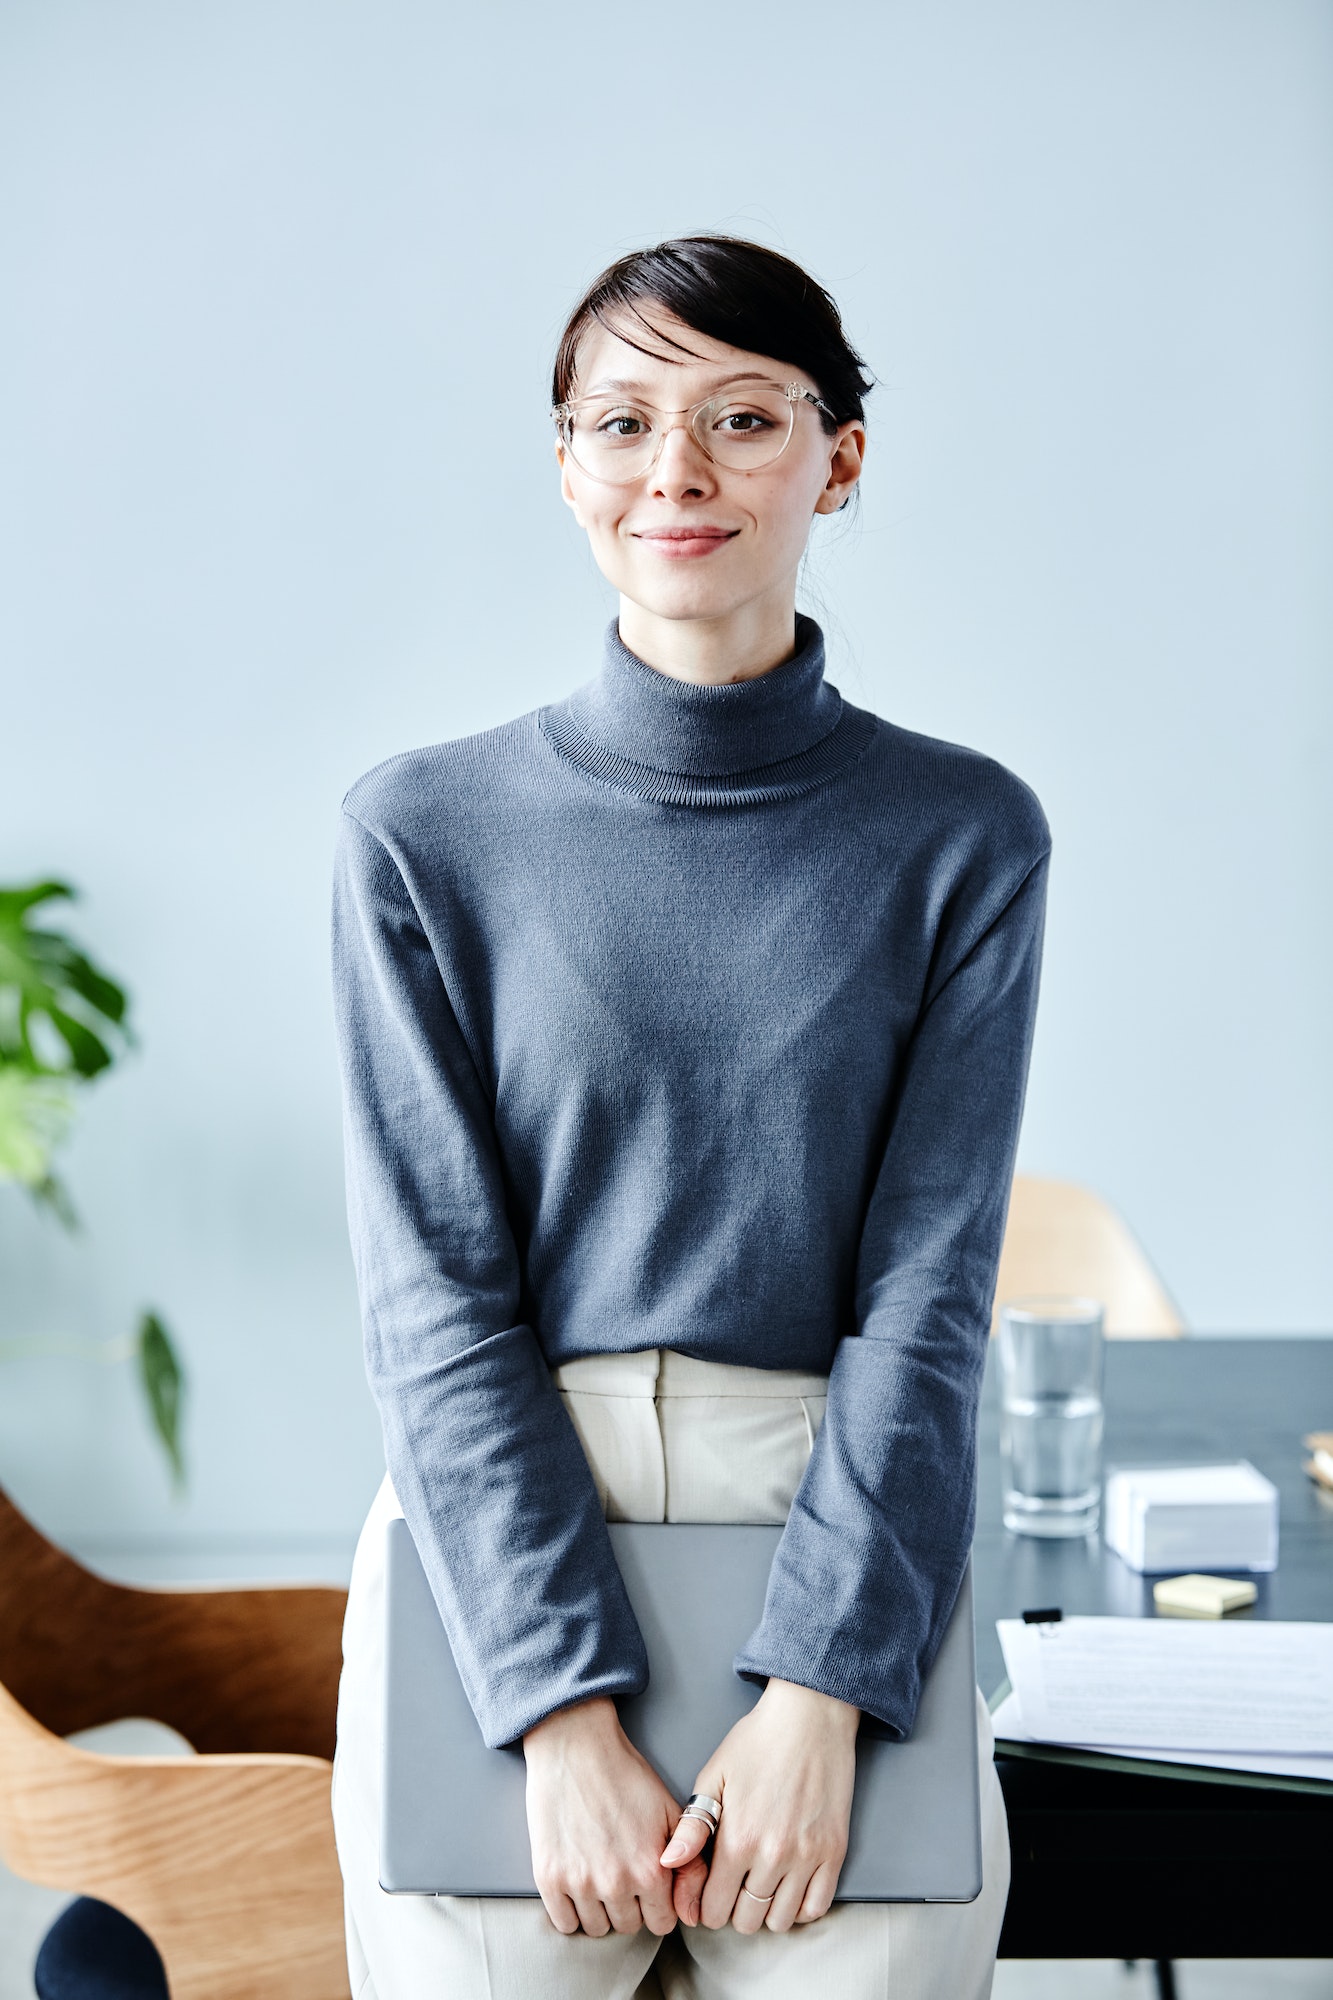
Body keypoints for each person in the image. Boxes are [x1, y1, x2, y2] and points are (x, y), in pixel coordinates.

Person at [329, 234, 1049, 2000]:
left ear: (840, 457)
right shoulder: (418, 834)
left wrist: (821, 1694)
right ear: (563, 459)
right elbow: (432, 1300)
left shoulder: (964, 836)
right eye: (622, 419)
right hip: (506, 1553)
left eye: (742, 418)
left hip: (842, 1539)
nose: (677, 471)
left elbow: (928, 1295)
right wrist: (555, 1715)